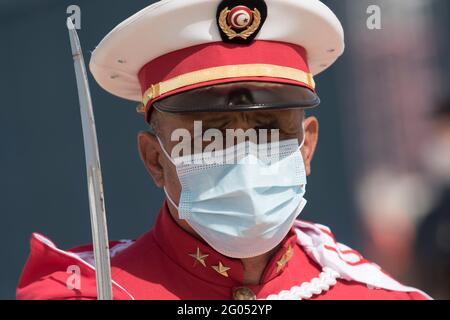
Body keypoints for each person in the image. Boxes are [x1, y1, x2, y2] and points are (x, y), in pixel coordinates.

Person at [17, 0, 430, 300]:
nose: (244, 156)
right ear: (155, 159)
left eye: (270, 128)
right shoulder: (82, 291)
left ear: (308, 147)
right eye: (209, 133)